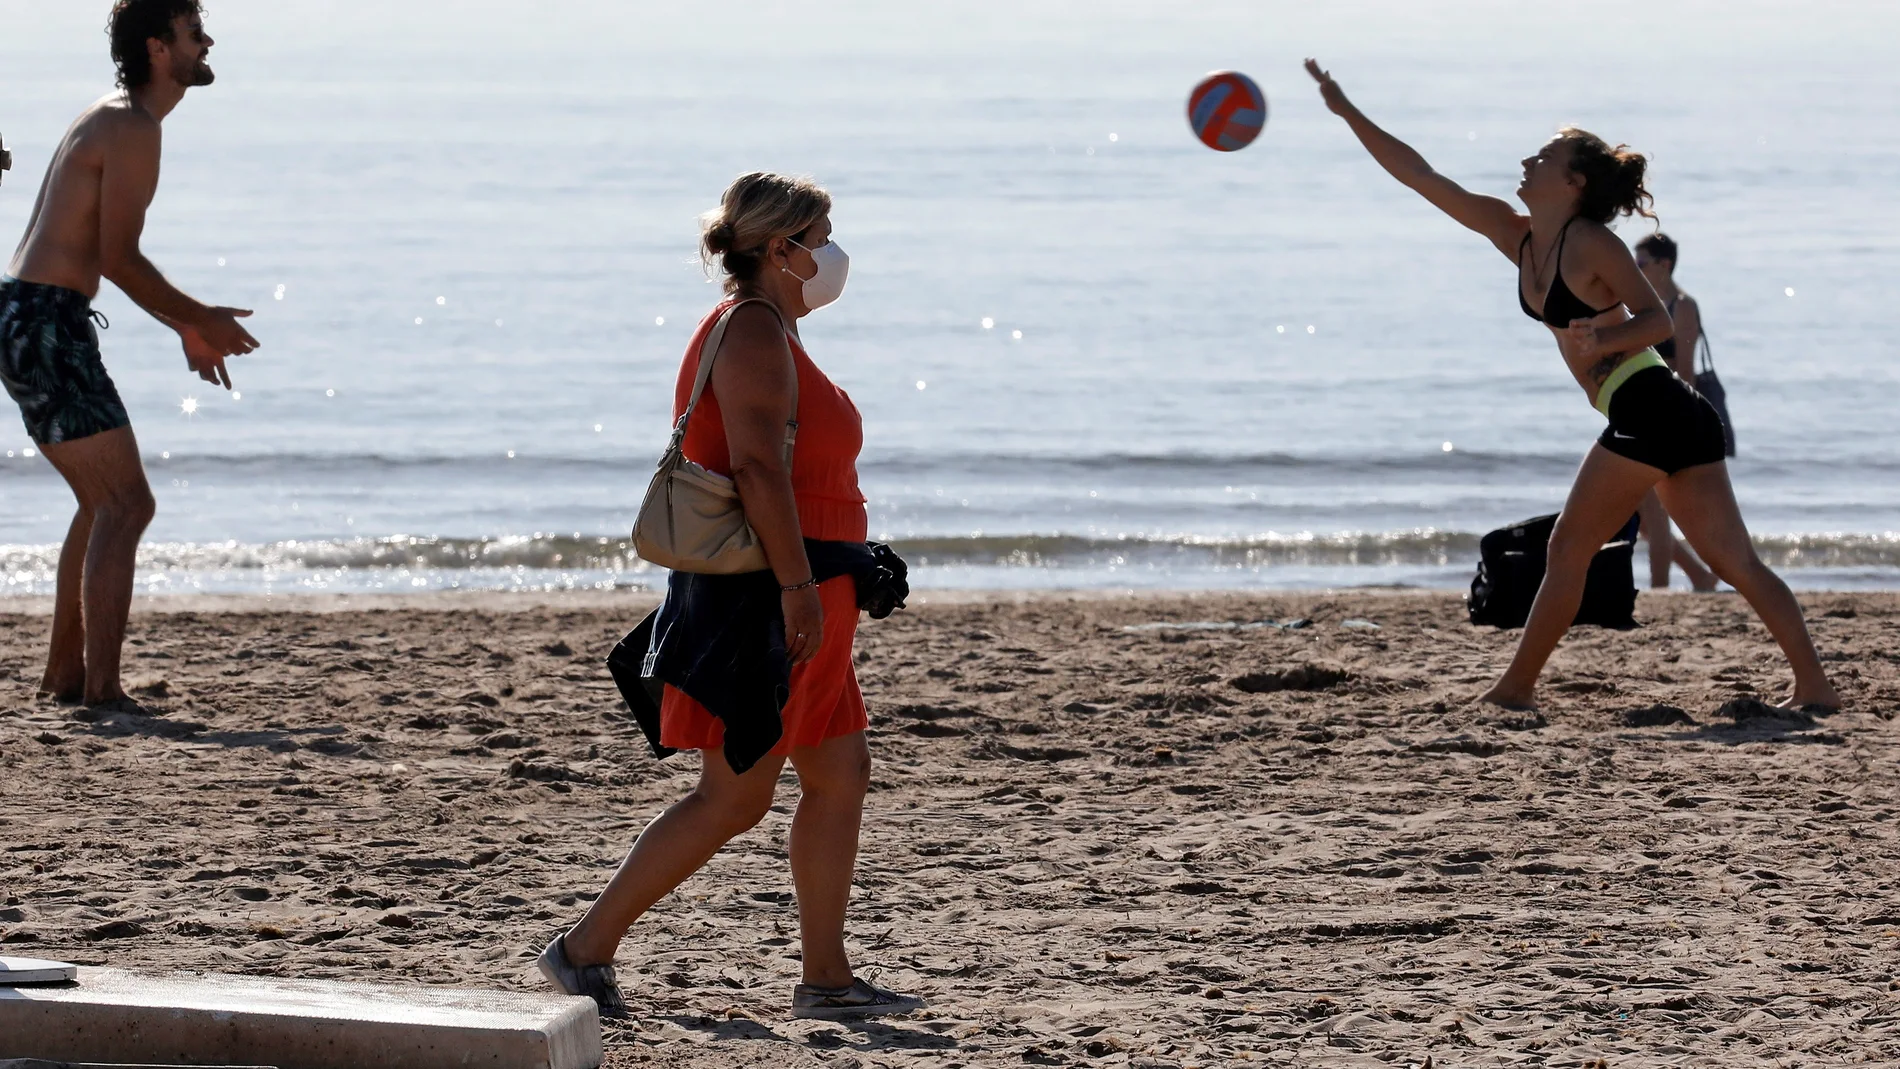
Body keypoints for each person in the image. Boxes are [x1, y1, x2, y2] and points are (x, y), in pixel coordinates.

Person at [1304, 59, 1840, 711]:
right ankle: (1816, 687)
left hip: (1653, 406)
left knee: (1569, 546)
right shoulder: (1520, 238)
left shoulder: (1592, 244)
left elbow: (1657, 320)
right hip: (1665, 416)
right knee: (1735, 565)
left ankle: (1514, 689)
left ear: (1573, 183)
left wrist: (1602, 339)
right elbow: (1422, 177)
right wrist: (1346, 110)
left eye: (1546, 155)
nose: (1529, 160)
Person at [537, 172, 921, 1020]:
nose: (833, 254)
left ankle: (826, 978)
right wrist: (796, 590)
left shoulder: (772, 328)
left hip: (806, 586)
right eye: (822, 237)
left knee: (840, 770)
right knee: (734, 795)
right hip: (774, 594)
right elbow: (756, 471)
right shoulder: (752, 330)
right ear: (780, 249)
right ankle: (582, 949)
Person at [2, 0, 258, 707]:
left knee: (100, 503)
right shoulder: (132, 127)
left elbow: (103, 256)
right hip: (46, 323)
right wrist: (198, 314)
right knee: (129, 503)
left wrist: (184, 326)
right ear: (157, 49)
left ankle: (65, 675)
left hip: (31, 317)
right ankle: (104, 689)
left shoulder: (111, 115)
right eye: (193, 34)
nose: (207, 42)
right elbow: (118, 258)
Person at [1633, 232, 1716, 590]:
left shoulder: (1682, 306)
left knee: (1653, 510)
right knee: (1638, 516)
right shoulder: (1641, 305)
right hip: (1636, 411)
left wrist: (1681, 425)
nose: (1635, 270)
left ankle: (1659, 592)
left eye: (1641, 264)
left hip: (1666, 415)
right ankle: (1699, 575)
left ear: (1664, 265)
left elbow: (1686, 373)